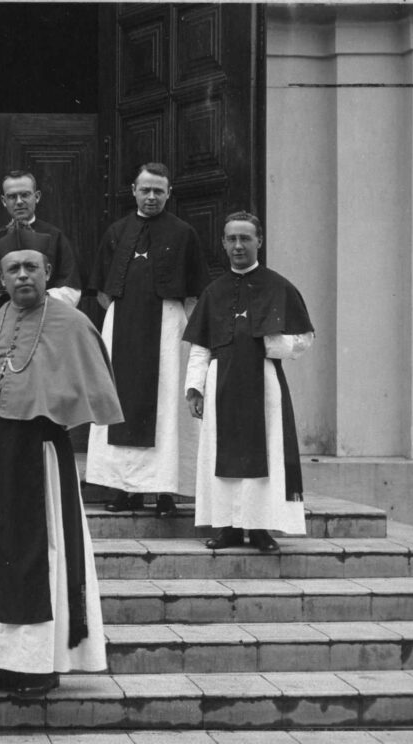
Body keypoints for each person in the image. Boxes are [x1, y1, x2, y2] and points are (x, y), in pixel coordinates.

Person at [0, 228, 123, 698]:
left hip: (37, 457)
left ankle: (37, 664)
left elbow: (87, 396)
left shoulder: (71, 323)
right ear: (1, 278)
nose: (23, 275)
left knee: (35, 558)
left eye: (32, 268)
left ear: (48, 274)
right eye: (13, 269)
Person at [183, 211, 315, 552]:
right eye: (232, 239)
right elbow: (200, 346)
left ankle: (260, 530)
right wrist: (195, 388)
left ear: (259, 241)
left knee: (266, 453)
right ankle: (227, 527)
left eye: (245, 238)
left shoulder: (279, 286)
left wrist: (270, 344)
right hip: (220, 383)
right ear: (224, 244)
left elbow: (304, 338)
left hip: (264, 383)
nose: (238, 245)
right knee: (219, 453)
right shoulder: (213, 291)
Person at [85, 162, 209, 515]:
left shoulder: (184, 233)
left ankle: (166, 492)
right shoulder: (117, 231)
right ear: (134, 191)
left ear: (169, 193)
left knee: (166, 406)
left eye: (159, 190)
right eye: (146, 189)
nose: (152, 196)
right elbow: (103, 291)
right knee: (119, 403)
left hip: (168, 330)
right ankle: (124, 489)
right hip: (121, 325)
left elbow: (193, 293)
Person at [0, 169, 82, 310]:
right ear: (4, 201)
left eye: (25, 195)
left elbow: (71, 289)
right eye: (12, 197)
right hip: (7, 318)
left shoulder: (55, 237)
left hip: (47, 316)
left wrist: (35, 298)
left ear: (36, 197)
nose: (19, 202)